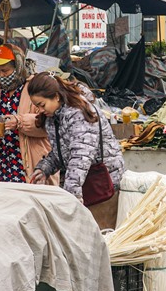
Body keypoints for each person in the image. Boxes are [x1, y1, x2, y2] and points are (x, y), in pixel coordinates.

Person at [27, 73, 124, 205]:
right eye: (37, 106)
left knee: (100, 224)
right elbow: (60, 152)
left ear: (56, 96)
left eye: (42, 105)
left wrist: (71, 193)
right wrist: (44, 168)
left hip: (104, 182)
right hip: (84, 182)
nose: (40, 110)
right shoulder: (53, 117)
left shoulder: (78, 113)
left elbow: (81, 155)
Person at [0, 44, 56, 184]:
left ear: (18, 66)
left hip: (31, 162)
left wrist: (19, 122)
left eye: (5, 70)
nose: (1, 75)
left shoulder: (35, 88)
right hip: (2, 162)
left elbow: (48, 123)